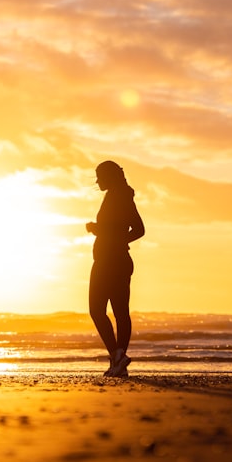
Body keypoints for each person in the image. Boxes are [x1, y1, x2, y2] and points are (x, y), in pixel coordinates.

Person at [86, 160, 145, 377]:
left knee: (98, 310)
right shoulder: (121, 195)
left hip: (109, 261)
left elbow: (135, 229)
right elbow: (137, 229)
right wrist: (120, 240)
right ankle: (118, 360)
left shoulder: (118, 196)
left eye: (99, 176)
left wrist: (96, 229)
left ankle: (117, 357)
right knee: (119, 312)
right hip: (117, 260)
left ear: (109, 176)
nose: (97, 181)